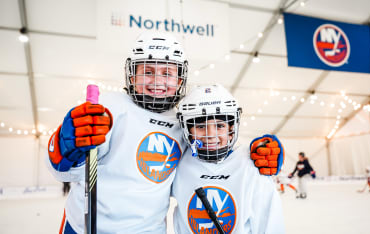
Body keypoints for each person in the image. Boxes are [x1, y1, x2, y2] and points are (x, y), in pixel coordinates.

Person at [45, 32, 280, 233]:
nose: (157, 80)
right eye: (147, 71)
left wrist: (260, 153)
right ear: (132, 73)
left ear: (180, 78)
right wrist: (68, 145)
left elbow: (214, 155)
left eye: (167, 73)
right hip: (85, 227)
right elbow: (64, 173)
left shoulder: (184, 120)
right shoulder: (108, 108)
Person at [172, 84, 285, 234]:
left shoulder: (251, 165)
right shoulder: (178, 162)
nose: (210, 135)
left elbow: (269, 224)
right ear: (187, 129)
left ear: (231, 129)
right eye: (200, 126)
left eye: (219, 126)